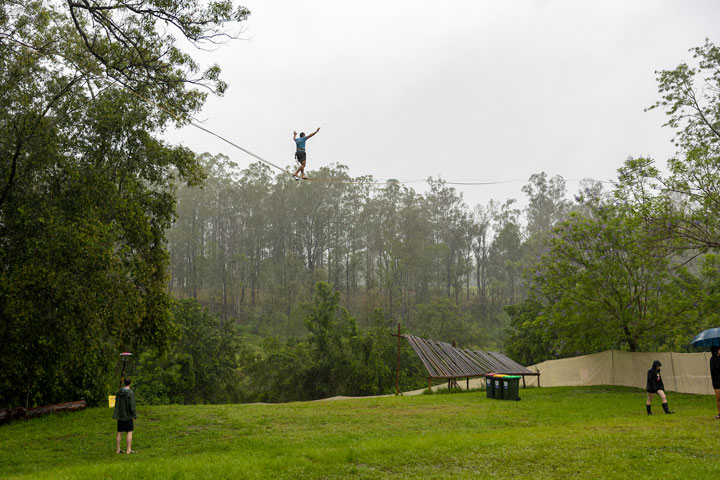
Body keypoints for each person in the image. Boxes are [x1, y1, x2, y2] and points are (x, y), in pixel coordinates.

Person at [113, 377, 137, 454]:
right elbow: (132, 405)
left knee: (119, 432)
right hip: (127, 416)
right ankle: (128, 449)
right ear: (130, 383)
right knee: (129, 432)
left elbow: (116, 402)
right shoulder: (130, 392)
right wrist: (134, 415)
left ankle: (118, 449)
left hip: (120, 416)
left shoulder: (119, 392)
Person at [710, 346, 720, 419]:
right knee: (718, 398)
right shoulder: (712, 359)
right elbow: (714, 370)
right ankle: (719, 414)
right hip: (716, 381)